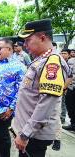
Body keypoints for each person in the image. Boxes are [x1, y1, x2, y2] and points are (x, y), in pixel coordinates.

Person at [14, 19, 70, 157]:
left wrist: (25, 135)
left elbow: (46, 105)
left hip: (34, 135)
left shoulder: (53, 63)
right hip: (29, 131)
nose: (25, 44)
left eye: (28, 40)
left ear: (42, 38)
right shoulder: (41, 58)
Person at [51, 49, 73, 151]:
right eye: (62, 53)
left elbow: (70, 77)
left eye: (65, 53)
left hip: (58, 93)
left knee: (56, 116)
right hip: (47, 92)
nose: (62, 55)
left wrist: (63, 89)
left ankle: (57, 139)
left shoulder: (65, 64)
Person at [63, 49, 75, 131]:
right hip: (71, 87)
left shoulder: (71, 61)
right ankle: (73, 124)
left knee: (71, 105)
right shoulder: (71, 61)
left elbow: (69, 75)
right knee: (70, 106)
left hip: (71, 87)